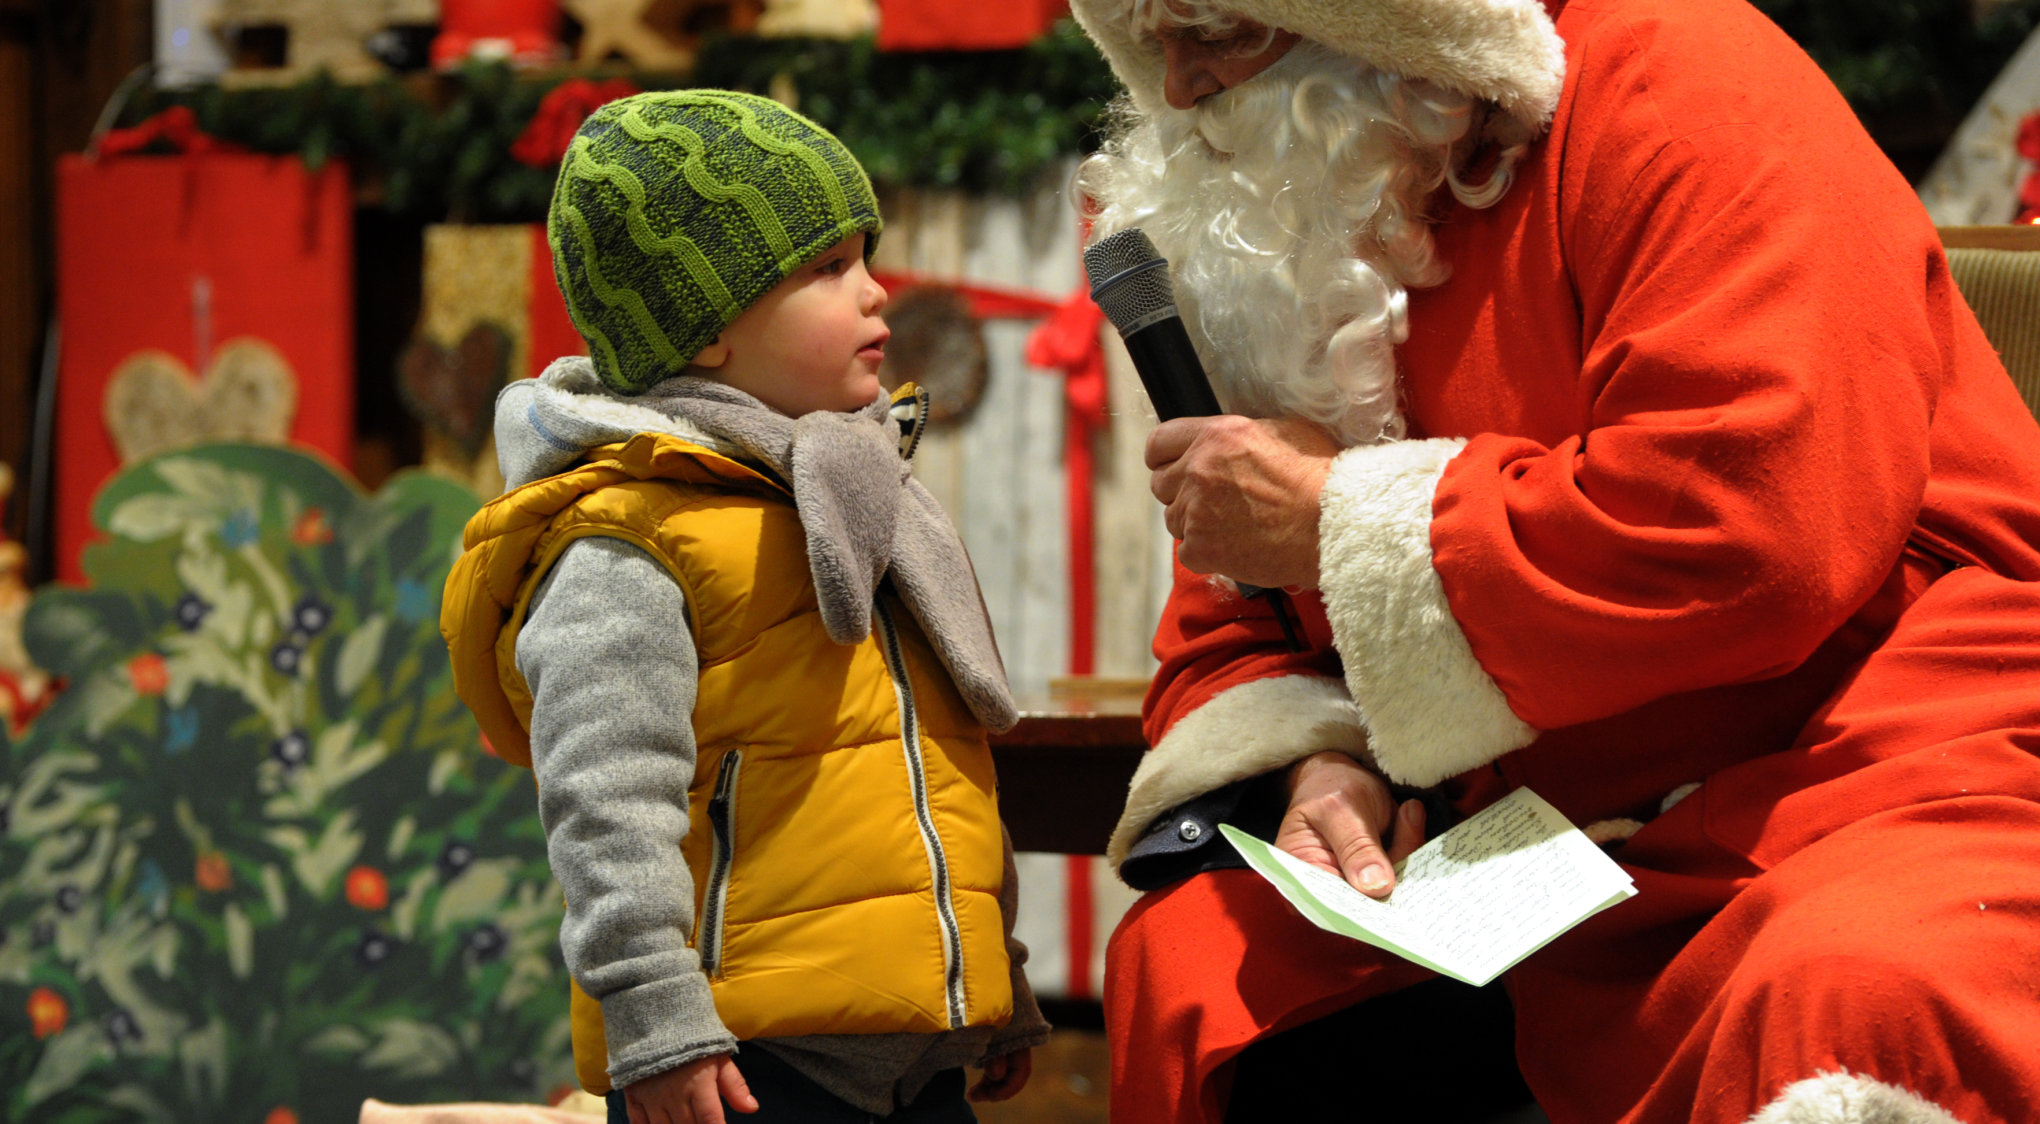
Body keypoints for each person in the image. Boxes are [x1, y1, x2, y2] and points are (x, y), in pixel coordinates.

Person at [1066, 0, 2040, 1121]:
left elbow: (1750, 520)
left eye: (1222, 33)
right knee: (1204, 971)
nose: (1179, 86)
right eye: (1149, 42)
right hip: (1525, 836)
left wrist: (1339, 514)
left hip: (1873, 760)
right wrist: (1322, 764)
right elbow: (1247, 612)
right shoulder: (1304, 212)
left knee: (1861, 998)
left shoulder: (1682, 79)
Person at [441, 90, 1048, 1124]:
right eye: (828, 268)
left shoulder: (852, 494)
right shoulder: (628, 531)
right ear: (709, 327)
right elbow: (605, 793)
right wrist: (653, 1009)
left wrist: (994, 976)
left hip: (912, 1054)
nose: (877, 293)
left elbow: (923, 770)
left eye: (866, 255)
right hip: (738, 1065)